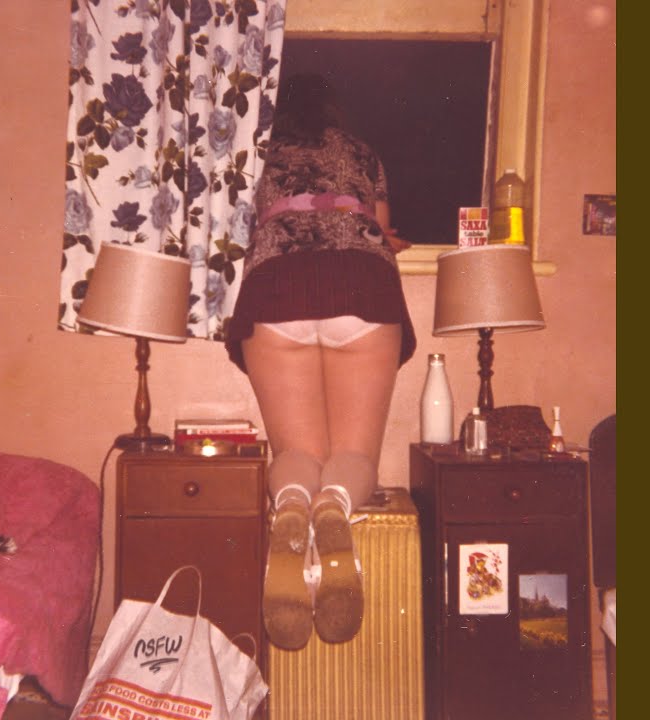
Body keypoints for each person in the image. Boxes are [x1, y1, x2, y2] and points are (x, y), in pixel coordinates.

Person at [225, 73, 417, 649]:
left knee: (298, 453)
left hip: (277, 286)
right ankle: (334, 507)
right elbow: (379, 225)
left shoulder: (257, 153)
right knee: (353, 455)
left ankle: (291, 505)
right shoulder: (361, 152)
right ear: (333, 110)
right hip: (360, 282)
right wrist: (382, 238)